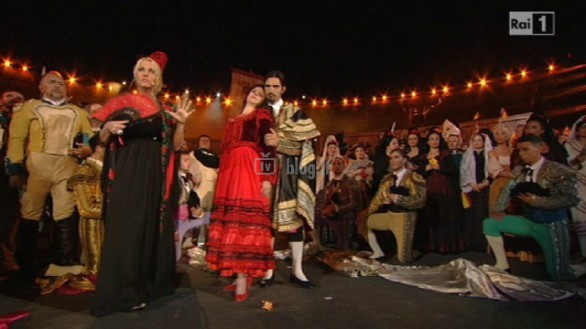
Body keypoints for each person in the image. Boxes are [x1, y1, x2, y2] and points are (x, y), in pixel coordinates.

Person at [91, 51, 194, 315]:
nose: (146, 74)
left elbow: (177, 143)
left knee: (149, 228)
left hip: (156, 176)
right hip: (130, 170)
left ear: (158, 77)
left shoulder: (165, 108)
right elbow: (101, 139)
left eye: (152, 71)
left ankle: (144, 286)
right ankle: (122, 293)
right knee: (129, 227)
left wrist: (180, 123)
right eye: (142, 70)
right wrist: (107, 130)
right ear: (135, 75)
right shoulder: (123, 101)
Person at [6, 72, 94, 281]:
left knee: (65, 213)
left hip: (66, 165)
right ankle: (25, 264)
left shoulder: (78, 112)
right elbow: (17, 139)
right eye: (52, 82)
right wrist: (15, 168)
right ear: (42, 88)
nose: (58, 86)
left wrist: (87, 149)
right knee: (30, 213)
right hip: (37, 165)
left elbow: (90, 136)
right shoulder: (29, 108)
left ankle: (64, 262)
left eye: (61, 83)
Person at [205, 85, 276, 302]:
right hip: (230, 169)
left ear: (263, 101)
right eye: (254, 91)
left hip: (248, 166)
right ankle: (237, 276)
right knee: (230, 222)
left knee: (244, 221)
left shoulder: (261, 116)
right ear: (247, 94)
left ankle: (244, 278)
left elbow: (269, 147)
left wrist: (267, 178)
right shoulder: (233, 119)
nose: (256, 94)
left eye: (260, 94)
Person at [483, 135, 579, 280]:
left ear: (539, 148)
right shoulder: (519, 170)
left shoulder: (557, 169)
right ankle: (502, 265)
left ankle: (581, 267)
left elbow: (571, 198)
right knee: (490, 223)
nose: (521, 154)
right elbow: (507, 190)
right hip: (530, 222)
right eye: (519, 150)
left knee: (559, 274)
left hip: (552, 225)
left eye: (525, 150)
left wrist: (537, 201)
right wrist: (498, 210)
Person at [263, 70, 321, 288]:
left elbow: (304, 148)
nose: (271, 90)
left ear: (283, 89)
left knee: (294, 224)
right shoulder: (258, 113)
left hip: (290, 172)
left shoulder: (297, 114)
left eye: (275, 86)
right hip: (265, 171)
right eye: (267, 86)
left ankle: (297, 271)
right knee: (266, 222)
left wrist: (280, 142)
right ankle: (267, 270)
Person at [366, 149, 426, 262]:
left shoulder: (413, 177)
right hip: (390, 216)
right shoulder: (387, 179)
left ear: (404, 160)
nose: (393, 160)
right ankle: (378, 252)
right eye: (391, 158)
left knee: (403, 259)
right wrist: (366, 213)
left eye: (396, 157)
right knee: (365, 221)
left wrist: (399, 199)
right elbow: (377, 200)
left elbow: (420, 200)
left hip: (405, 218)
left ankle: (413, 251)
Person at [66, 134, 105, 276]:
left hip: (108, 224)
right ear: (99, 149)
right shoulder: (85, 172)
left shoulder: (107, 172)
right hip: (94, 227)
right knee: (97, 268)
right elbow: (86, 208)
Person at [0, 91, 24, 279]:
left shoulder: (28, 120)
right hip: (2, 171)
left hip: (20, 175)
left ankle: (9, 259)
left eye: (18, 97)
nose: (14, 99)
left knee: (12, 217)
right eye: (9, 95)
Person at [460, 133, 492, 251]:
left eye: (479, 140)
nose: (477, 142)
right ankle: (471, 243)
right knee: (471, 216)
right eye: (475, 140)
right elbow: (463, 171)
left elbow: (492, 170)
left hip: (484, 188)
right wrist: (471, 183)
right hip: (471, 189)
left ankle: (483, 243)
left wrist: (485, 183)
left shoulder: (489, 154)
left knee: (482, 215)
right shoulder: (467, 155)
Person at [319, 156, 360, 250]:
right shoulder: (329, 184)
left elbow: (353, 203)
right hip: (333, 213)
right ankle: (322, 246)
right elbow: (326, 201)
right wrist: (325, 210)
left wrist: (337, 208)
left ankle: (344, 247)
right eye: (334, 164)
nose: (336, 166)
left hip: (346, 212)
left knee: (342, 221)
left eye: (339, 164)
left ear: (344, 166)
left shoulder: (350, 182)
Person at [565, 116, 586, 260]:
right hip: (577, 186)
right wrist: (580, 157)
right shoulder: (569, 146)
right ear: (577, 130)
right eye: (584, 127)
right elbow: (567, 167)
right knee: (582, 220)